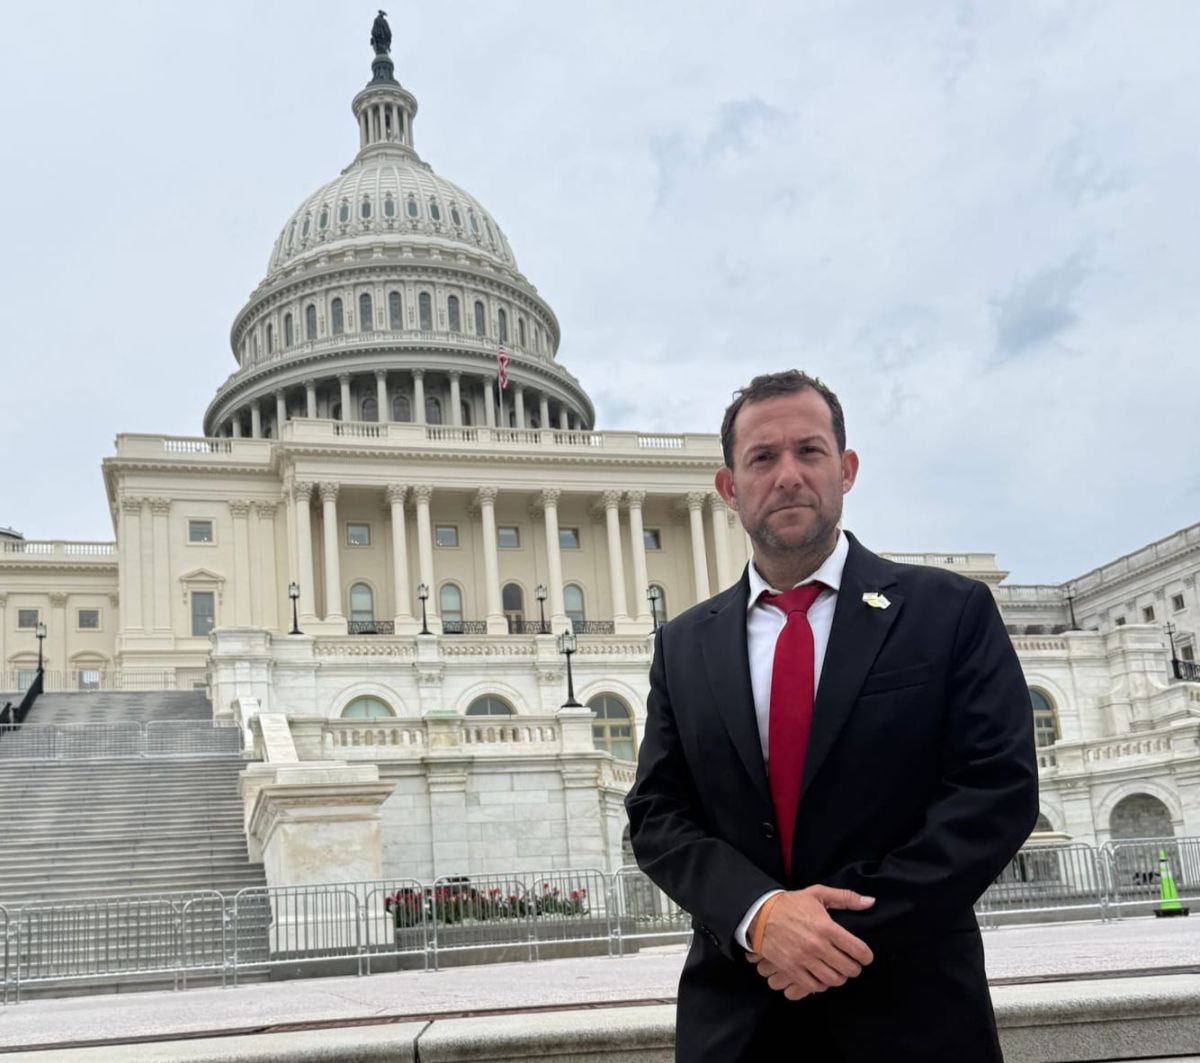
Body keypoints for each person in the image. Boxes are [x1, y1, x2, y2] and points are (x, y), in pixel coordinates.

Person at [625, 370, 1038, 1061]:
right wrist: (760, 915)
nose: (788, 474)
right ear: (730, 488)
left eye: (809, 451)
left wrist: (829, 932)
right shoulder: (685, 643)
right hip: (740, 1021)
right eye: (762, 457)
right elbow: (659, 814)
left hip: (913, 1013)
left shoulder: (947, 613)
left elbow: (994, 791)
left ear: (845, 470)